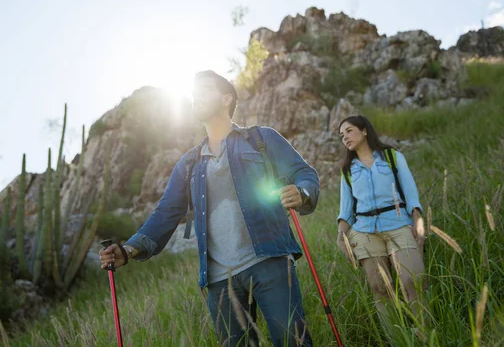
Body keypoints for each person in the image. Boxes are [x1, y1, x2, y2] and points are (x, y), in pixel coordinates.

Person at [100, 70, 320, 347]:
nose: (196, 98)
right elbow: (166, 213)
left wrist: (301, 192)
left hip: (269, 263)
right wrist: (128, 250)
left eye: (204, 90)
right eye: (193, 94)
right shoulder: (188, 164)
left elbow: (305, 174)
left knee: (293, 342)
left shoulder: (261, 139)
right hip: (218, 281)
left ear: (226, 98)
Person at [336, 115, 427, 322]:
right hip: (365, 233)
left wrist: (418, 223)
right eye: (342, 135)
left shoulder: (392, 157)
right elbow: (346, 209)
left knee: (413, 280)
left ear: (365, 130)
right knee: (380, 289)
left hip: (399, 224)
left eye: (349, 131)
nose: (345, 137)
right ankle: (397, 340)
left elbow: (411, 193)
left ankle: (424, 335)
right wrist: (341, 236)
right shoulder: (347, 170)